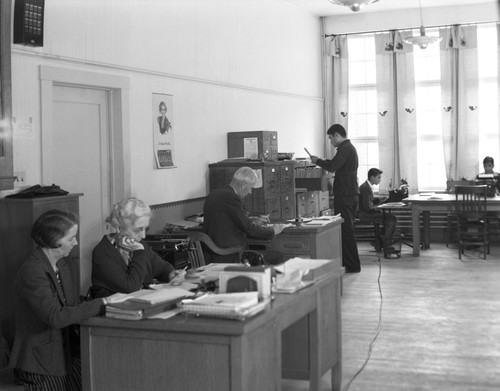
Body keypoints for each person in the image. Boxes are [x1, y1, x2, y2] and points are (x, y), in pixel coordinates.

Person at [9, 210, 110, 391]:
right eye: (71, 238)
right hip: (40, 361)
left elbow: (71, 307)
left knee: (100, 378)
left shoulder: (61, 265)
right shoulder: (32, 271)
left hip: (67, 352)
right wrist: (102, 303)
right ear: (54, 240)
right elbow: (57, 317)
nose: (76, 242)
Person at [91, 197, 185, 298]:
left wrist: (170, 274)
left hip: (142, 303)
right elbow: (131, 287)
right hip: (115, 309)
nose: (143, 236)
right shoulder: (102, 252)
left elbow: (160, 267)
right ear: (118, 227)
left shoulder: (139, 244)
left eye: (146, 229)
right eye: (137, 230)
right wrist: (139, 252)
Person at [203, 166, 287, 264]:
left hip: (212, 254)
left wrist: (251, 220)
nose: (250, 192)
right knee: (277, 256)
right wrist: (273, 231)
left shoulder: (214, 193)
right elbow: (249, 229)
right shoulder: (232, 197)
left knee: (263, 250)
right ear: (243, 185)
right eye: (250, 188)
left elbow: (227, 221)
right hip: (230, 254)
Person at [309, 124, 361, 273]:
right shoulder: (349, 148)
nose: (331, 141)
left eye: (331, 138)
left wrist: (317, 161)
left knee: (346, 231)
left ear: (337, 135)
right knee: (347, 230)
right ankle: (350, 264)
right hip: (349, 193)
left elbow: (332, 167)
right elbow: (336, 164)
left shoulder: (344, 149)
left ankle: (351, 266)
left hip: (345, 194)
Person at [358, 168, 398, 259]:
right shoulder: (365, 188)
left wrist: (379, 200)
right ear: (372, 177)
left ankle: (379, 243)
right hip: (364, 215)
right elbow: (367, 207)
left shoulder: (367, 187)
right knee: (392, 219)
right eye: (378, 177)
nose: (380, 180)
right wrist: (378, 205)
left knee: (389, 218)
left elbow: (368, 203)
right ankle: (387, 250)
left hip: (366, 213)